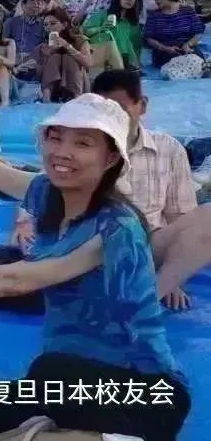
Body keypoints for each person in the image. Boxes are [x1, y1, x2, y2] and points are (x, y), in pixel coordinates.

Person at [0, 91, 190, 441]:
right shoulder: (48, 192)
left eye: (82, 143)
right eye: (56, 138)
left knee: (46, 383)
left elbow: (14, 280)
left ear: (111, 158)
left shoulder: (117, 228)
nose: (62, 152)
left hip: (145, 393)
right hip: (69, 378)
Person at [90, 70, 203, 313]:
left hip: (150, 248)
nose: (112, 118)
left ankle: (147, 302)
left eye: (121, 109)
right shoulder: (85, 149)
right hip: (93, 249)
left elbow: (180, 218)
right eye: (103, 110)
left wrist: (173, 274)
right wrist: (24, 222)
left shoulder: (168, 149)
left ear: (141, 106)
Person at [33, 7, 91, 103]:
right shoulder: (43, 46)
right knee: (54, 58)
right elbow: (37, 73)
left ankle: (75, 99)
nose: (48, 27)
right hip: (52, 88)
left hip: (77, 86)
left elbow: (88, 64)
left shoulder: (79, 39)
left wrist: (67, 46)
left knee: (69, 58)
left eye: (53, 23)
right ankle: (46, 99)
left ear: (64, 25)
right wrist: (47, 54)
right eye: (45, 25)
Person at [143, 0, 204, 67]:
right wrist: (165, 48)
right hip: (164, 54)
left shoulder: (188, 11)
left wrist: (188, 45)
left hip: (188, 50)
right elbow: (149, 38)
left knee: (198, 62)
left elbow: (198, 32)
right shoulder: (154, 15)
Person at [81, 0, 142, 70]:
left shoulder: (131, 23)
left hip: (125, 60)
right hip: (104, 58)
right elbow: (84, 32)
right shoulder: (102, 14)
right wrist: (102, 28)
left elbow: (134, 45)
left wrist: (135, 63)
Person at [2, 0, 47, 80]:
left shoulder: (44, 24)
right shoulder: (10, 22)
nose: (36, 5)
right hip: (14, 60)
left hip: (34, 63)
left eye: (39, 2)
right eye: (32, 1)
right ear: (23, 5)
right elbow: (3, 45)